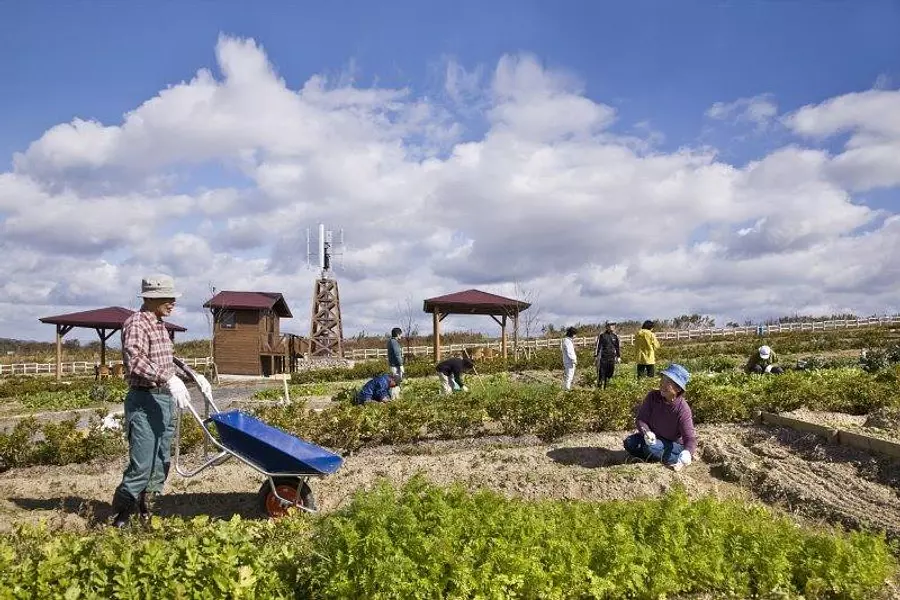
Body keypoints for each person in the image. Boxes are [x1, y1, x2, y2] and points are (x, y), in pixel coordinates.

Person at [110, 274, 212, 527]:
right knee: (142, 463)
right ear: (152, 299)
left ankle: (147, 512)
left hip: (164, 400)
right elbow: (135, 361)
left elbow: (168, 361)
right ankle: (121, 516)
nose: (173, 303)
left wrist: (192, 376)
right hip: (144, 401)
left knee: (160, 461)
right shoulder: (137, 323)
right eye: (168, 299)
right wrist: (167, 377)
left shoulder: (159, 325)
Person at [623, 364, 697, 472]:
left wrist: (687, 452)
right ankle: (653, 456)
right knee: (629, 443)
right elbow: (641, 419)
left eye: (668, 382)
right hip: (654, 438)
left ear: (677, 388)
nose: (662, 384)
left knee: (650, 448)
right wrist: (646, 433)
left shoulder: (682, 409)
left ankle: (677, 458)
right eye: (663, 379)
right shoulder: (653, 396)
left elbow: (689, 438)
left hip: (673, 444)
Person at [594, 321, 621, 389]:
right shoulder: (602, 336)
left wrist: (618, 356)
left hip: (612, 358)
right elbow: (598, 346)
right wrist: (596, 356)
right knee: (602, 374)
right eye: (610, 325)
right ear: (607, 327)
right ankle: (599, 388)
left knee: (610, 373)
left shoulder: (615, 336)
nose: (611, 327)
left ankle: (607, 388)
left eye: (613, 325)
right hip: (603, 358)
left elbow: (617, 347)